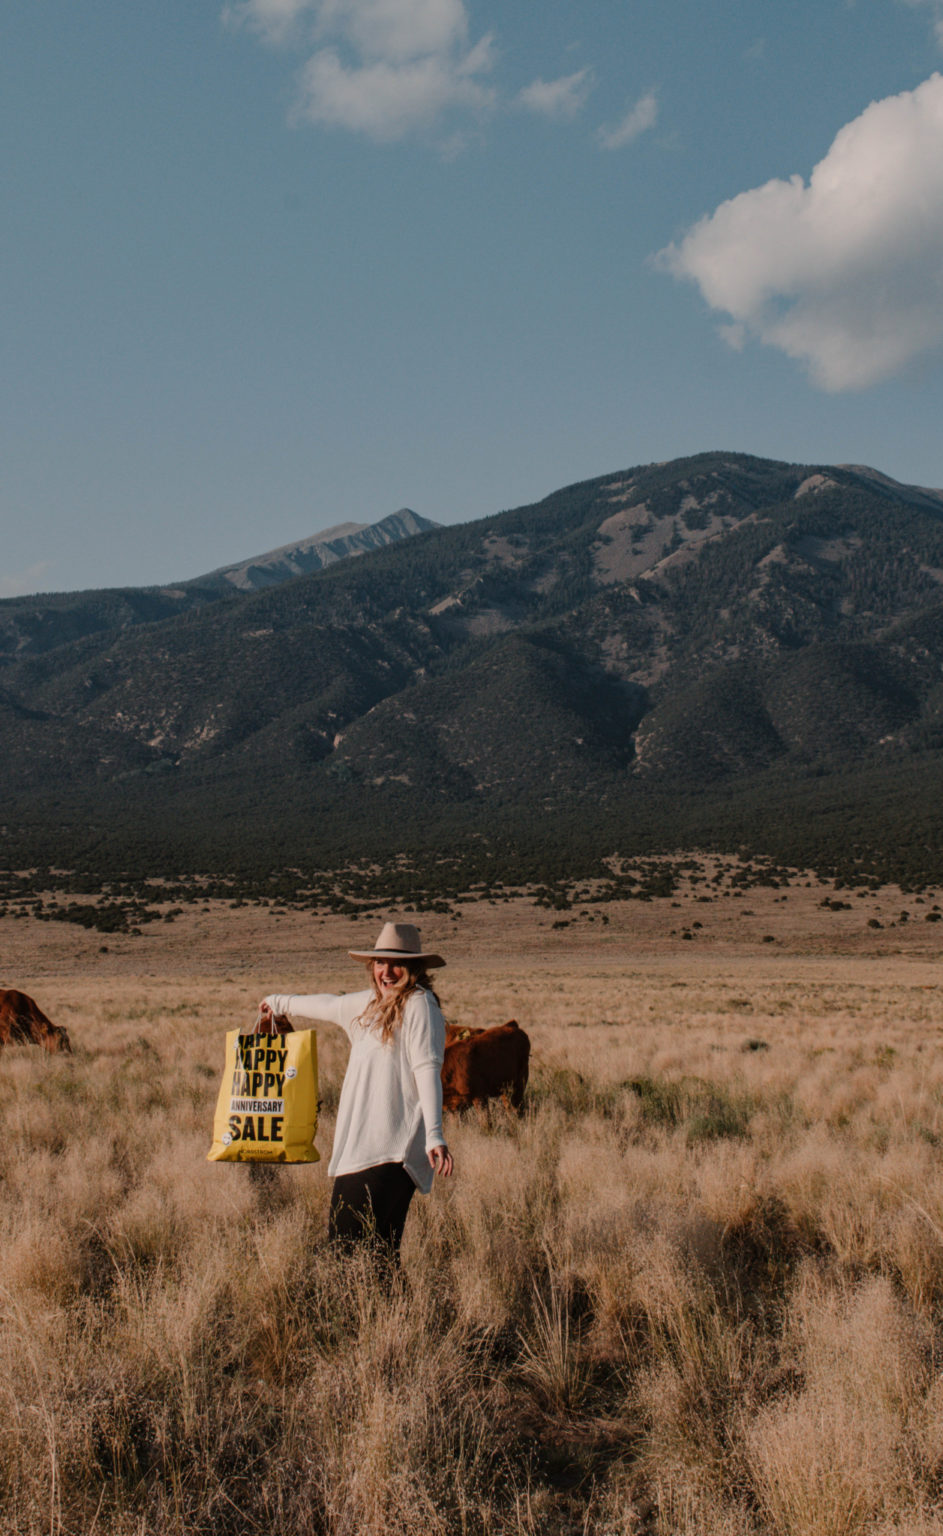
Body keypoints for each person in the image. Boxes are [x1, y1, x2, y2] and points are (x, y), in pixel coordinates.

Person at [258, 921, 453, 1258]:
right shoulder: (367, 1005)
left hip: (392, 1150)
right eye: (380, 962)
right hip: (361, 1147)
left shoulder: (420, 1005)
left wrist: (434, 1135)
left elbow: (427, 1069)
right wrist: (279, 1002)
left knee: (345, 1247)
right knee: (378, 1254)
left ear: (414, 968)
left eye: (397, 964)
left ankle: (359, 1310)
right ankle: (391, 1312)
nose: (387, 972)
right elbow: (328, 1005)